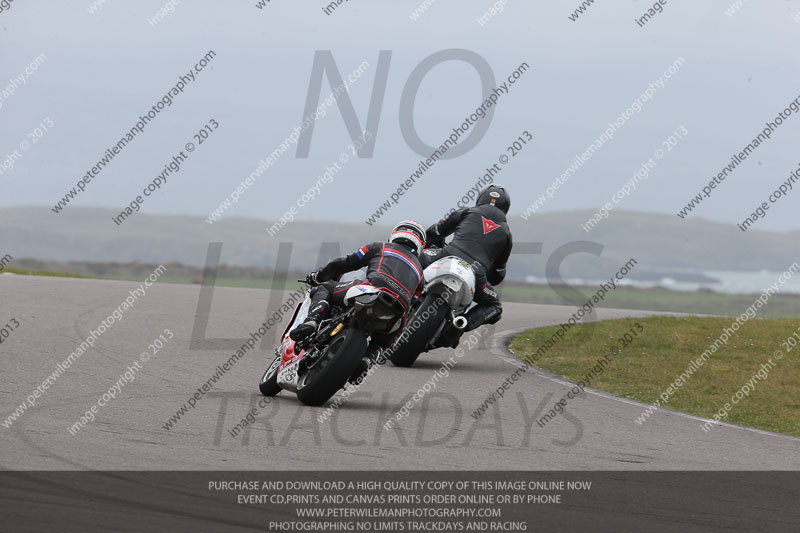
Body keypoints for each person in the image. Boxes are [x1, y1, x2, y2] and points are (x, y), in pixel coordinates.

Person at [290, 221, 427, 358]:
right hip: (397, 312)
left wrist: (319, 276)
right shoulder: (421, 274)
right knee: (389, 334)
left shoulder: (379, 247)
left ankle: (313, 320)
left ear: (395, 234)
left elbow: (345, 263)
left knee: (325, 287)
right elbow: (413, 303)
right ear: (420, 244)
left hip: (371, 290)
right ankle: (371, 355)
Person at [421, 184, 512, 332]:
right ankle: (459, 324)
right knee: (495, 306)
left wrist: (425, 246)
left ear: (480, 199)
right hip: (476, 274)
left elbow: (435, 232)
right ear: (506, 208)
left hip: (447, 255)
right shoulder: (507, 234)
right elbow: (498, 275)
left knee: (412, 258)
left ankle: (397, 294)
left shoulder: (467, 211)